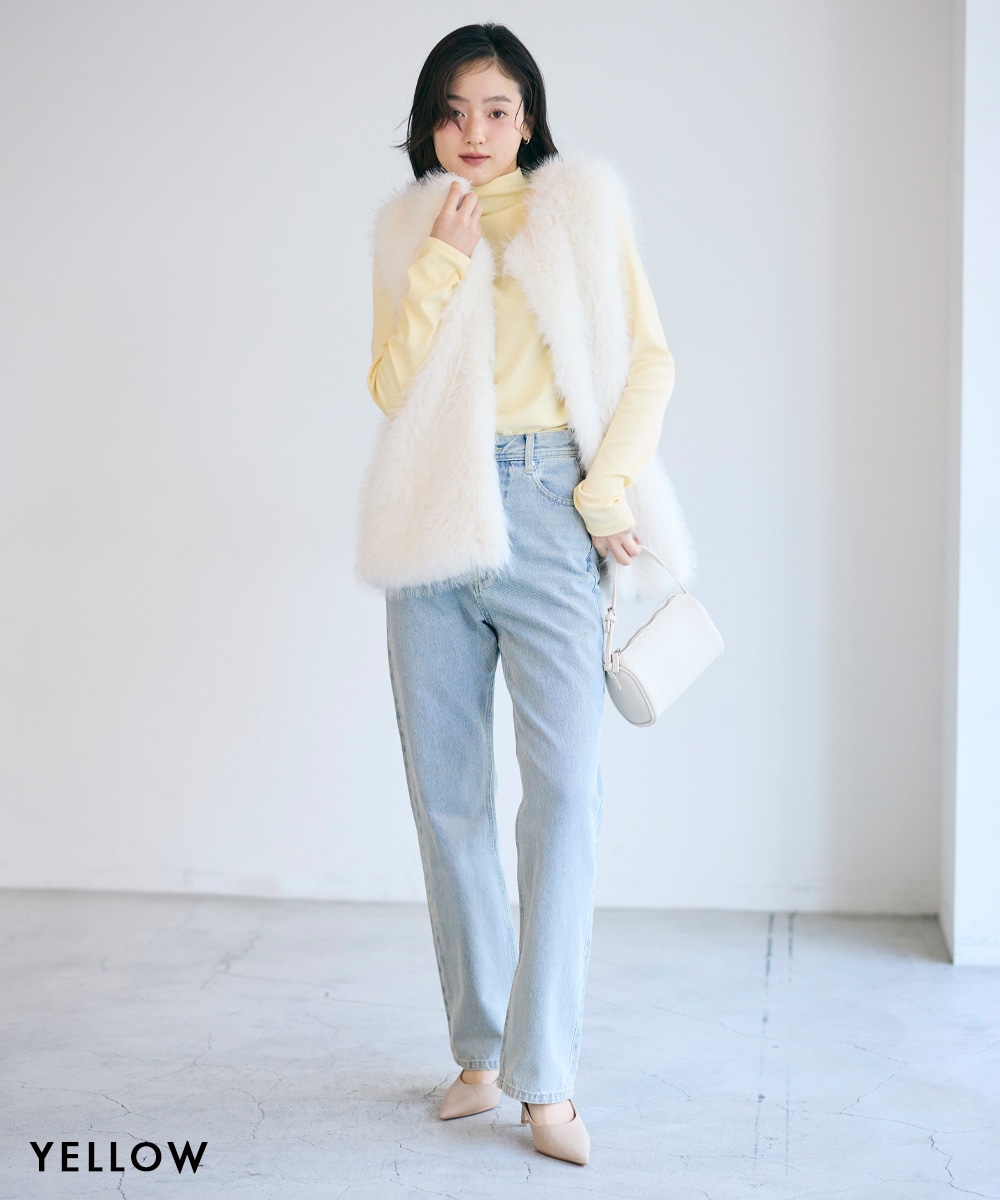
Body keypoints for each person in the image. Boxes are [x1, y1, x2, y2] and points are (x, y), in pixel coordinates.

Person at [357, 22, 688, 1167]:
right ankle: (480, 1053)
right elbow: (389, 386)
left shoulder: (578, 208)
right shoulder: (407, 227)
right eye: (452, 112)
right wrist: (440, 262)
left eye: (496, 109)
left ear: (529, 118)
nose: (474, 132)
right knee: (446, 802)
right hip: (430, 518)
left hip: (550, 510)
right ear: (427, 125)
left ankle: (547, 1080)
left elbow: (650, 359)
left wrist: (603, 490)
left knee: (564, 800)